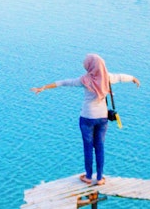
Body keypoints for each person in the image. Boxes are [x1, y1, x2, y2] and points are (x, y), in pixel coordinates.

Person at [31, 54, 140, 185]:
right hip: (102, 118)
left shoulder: (84, 80)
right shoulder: (108, 77)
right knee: (99, 147)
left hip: (87, 118)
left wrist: (43, 88)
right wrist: (134, 79)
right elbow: (122, 77)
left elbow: (64, 82)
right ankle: (99, 178)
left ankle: (88, 177)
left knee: (88, 147)